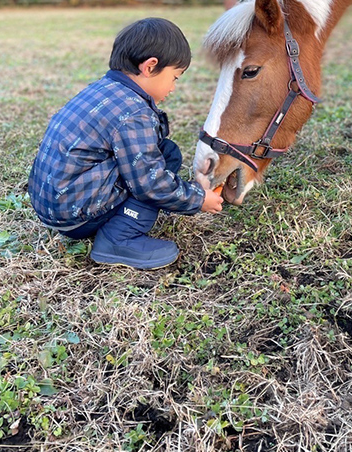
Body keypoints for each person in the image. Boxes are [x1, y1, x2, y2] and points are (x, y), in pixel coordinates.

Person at [28, 17, 223, 270]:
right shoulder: (134, 113)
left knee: (165, 151)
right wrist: (197, 199)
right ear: (150, 67)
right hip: (73, 217)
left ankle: (113, 228)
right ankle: (119, 240)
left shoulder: (102, 88)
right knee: (160, 163)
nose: (173, 88)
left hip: (53, 204)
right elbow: (150, 182)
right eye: (175, 77)